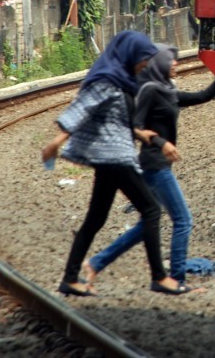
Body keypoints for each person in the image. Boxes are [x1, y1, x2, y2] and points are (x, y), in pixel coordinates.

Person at [84, 44, 215, 291]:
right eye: (172, 60)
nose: (176, 64)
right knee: (183, 220)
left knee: (146, 224)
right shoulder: (149, 91)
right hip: (154, 164)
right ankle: (176, 281)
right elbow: (134, 125)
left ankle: (96, 263)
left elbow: (204, 96)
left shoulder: (168, 91)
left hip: (157, 165)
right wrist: (161, 142)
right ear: (159, 63)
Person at [41, 31, 185, 297]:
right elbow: (81, 109)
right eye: (143, 59)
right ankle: (159, 277)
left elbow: (120, 121)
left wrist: (146, 136)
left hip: (112, 156)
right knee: (152, 210)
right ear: (130, 54)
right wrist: (56, 142)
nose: (146, 64)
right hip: (115, 157)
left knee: (95, 219)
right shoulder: (106, 81)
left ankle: (70, 279)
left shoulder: (123, 81)